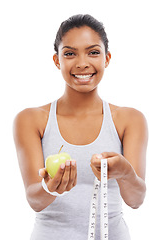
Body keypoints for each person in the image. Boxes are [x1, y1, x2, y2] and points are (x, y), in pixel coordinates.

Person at [13, 14, 148, 240]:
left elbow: (136, 200)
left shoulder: (130, 119)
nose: (82, 63)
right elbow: (34, 201)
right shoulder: (31, 120)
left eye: (93, 52)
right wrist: (50, 188)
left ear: (107, 58)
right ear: (57, 60)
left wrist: (125, 173)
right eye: (70, 53)